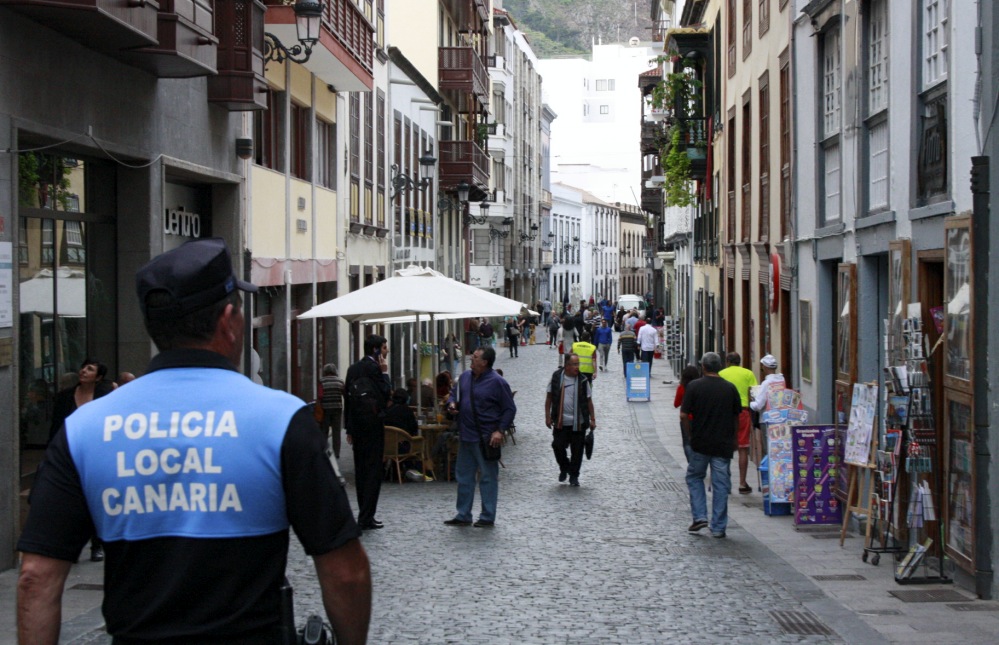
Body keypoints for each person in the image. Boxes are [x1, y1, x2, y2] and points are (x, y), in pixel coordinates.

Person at [17, 237, 371, 644]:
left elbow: (35, 578)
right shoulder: (281, 420)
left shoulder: (85, 427)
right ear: (228, 322)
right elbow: (345, 571)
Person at [48, 357, 115, 562]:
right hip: (71, 454)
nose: (84, 371)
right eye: (83, 367)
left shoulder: (105, 397)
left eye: (90, 369)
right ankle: (71, 546)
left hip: (97, 455)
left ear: (98, 377)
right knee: (71, 502)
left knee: (94, 500)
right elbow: (57, 426)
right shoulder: (65, 397)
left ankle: (97, 545)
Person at [443, 347, 516, 527]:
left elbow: (509, 409)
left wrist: (500, 430)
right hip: (466, 435)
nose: (471, 359)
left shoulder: (497, 382)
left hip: (486, 437)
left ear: (484, 362)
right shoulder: (465, 377)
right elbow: (454, 394)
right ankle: (463, 514)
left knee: (488, 477)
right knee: (464, 476)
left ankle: (487, 516)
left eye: (475, 357)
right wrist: (451, 404)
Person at [681, 352, 742, 539]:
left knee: (694, 477)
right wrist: (734, 438)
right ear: (720, 367)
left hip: (700, 442)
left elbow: (683, 415)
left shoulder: (694, 386)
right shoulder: (730, 388)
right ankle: (718, 526)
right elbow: (736, 416)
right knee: (721, 484)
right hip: (723, 444)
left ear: (703, 367)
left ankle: (700, 516)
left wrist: (690, 436)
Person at [345, 334, 392, 531]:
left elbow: (347, 399)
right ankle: (367, 516)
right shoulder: (375, 369)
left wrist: (349, 428)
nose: (386, 351)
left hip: (357, 427)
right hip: (373, 425)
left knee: (361, 471)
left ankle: (364, 514)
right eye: (384, 348)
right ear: (376, 350)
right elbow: (386, 393)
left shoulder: (353, 369)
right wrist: (385, 372)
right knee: (373, 471)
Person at [545, 354, 596, 487]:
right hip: (560, 421)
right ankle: (564, 467)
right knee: (557, 446)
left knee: (577, 451)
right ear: (567, 366)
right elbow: (549, 397)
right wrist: (547, 416)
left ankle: (574, 476)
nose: (577, 367)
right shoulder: (556, 378)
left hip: (578, 423)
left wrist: (592, 419)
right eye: (574, 364)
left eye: (578, 364)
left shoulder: (583, 380)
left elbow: (589, 400)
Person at [718, 353, 758, 494]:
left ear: (728, 361)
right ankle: (742, 483)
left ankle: (725, 482)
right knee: (743, 448)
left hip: (725, 412)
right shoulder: (748, 373)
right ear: (739, 362)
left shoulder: (721, 373)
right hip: (743, 412)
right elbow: (754, 394)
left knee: (725, 447)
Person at [674, 364, 701, 462]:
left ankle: (691, 462)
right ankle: (698, 460)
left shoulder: (681, 388)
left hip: (685, 418)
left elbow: (676, 404)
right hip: (699, 418)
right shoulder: (700, 387)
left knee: (687, 442)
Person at [320, 363, 346, 459]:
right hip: (337, 409)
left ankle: (324, 451)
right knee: (336, 432)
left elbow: (320, 396)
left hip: (325, 409)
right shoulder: (340, 382)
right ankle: (337, 452)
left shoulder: (322, 381)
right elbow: (345, 394)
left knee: (324, 431)